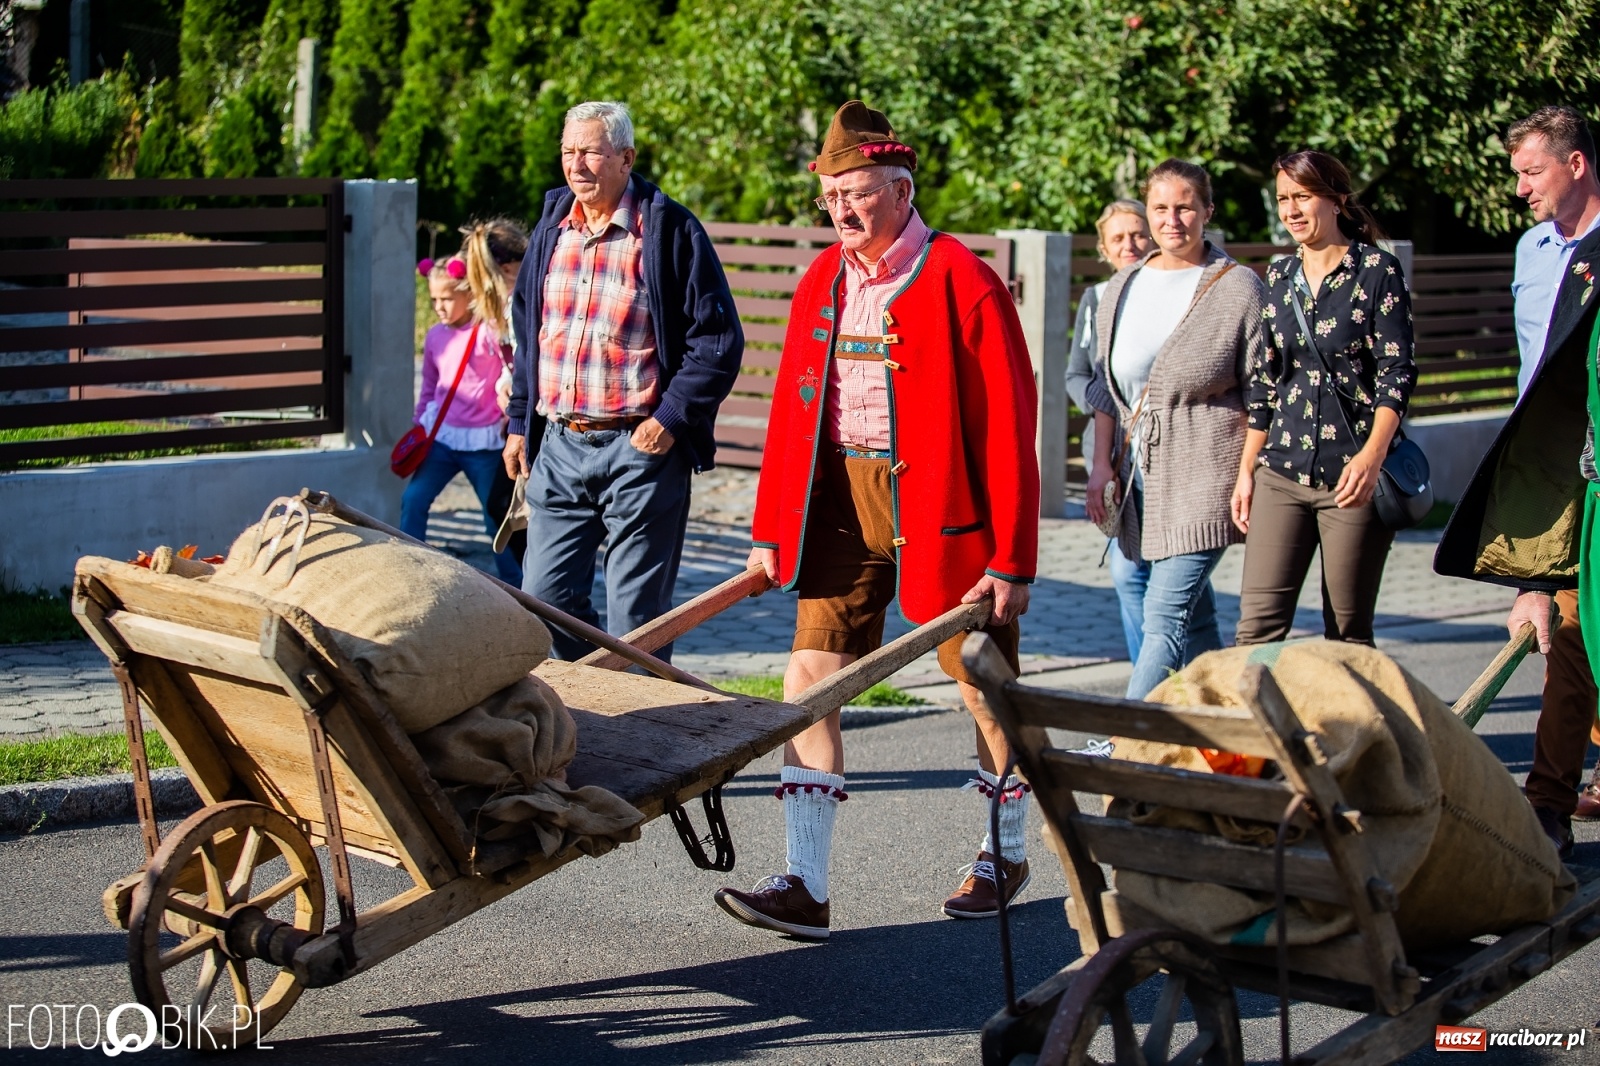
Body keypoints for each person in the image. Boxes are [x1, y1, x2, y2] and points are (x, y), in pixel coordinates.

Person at [713, 101, 1040, 939]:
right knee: (809, 679)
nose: (842, 211)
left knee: (982, 687)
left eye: (856, 194)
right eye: (830, 198)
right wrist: (771, 529)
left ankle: (1003, 852)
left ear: (901, 189)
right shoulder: (822, 279)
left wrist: (1012, 558)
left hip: (945, 509)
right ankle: (805, 884)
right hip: (837, 506)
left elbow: (1010, 426)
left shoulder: (962, 277)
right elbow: (793, 412)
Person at [502, 101, 743, 661]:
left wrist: (670, 419)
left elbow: (717, 340)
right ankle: (598, 692)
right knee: (544, 600)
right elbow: (529, 331)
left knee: (639, 620)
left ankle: (642, 713)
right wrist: (518, 421)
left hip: (640, 450)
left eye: (591, 151)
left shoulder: (669, 229)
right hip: (560, 444)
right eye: (568, 151)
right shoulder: (552, 228)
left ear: (626, 158)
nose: (576, 164)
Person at [1442, 107, 1600, 855]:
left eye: (1533, 172)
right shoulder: (1532, 250)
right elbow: (1531, 368)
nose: (1520, 189)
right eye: (1518, 174)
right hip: (1556, 465)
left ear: (1577, 164)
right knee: (1565, 633)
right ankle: (1549, 805)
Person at [1085, 159, 1266, 700]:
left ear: (1207, 211)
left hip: (1206, 476)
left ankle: (1126, 737)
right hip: (1140, 480)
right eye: (1160, 207)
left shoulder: (1239, 289)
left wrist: (1248, 474)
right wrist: (1100, 466)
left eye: (1185, 207)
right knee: (1198, 620)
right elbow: (1103, 387)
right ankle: (1228, 728)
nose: (1172, 220)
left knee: (1163, 615)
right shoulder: (1123, 285)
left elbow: (1264, 394)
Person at [1232, 151, 1417, 647]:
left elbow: (1397, 374)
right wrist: (1247, 471)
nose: (1291, 210)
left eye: (1303, 196)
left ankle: (1353, 703)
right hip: (1281, 474)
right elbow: (1266, 384)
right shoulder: (1277, 276)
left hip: (1352, 478)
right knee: (1257, 631)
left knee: (1348, 634)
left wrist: (1372, 458)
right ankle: (1257, 702)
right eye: (1283, 199)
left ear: (1336, 200)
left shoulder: (1377, 271)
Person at [1067, 200, 1155, 660]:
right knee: (1128, 571)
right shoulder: (1097, 298)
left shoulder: (1174, 290)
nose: (1129, 245)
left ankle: (1157, 678)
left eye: (1137, 234)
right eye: (1118, 238)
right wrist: (1106, 408)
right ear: (1103, 248)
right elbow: (1077, 375)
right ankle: (1150, 672)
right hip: (1113, 451)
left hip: (1162, 447)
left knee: (1159, 574)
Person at [400, 256, 525, 583]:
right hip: (443, 440)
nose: (438, 306)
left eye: (446, 298)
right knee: (414, 499)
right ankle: (407, 569)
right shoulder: (434, 336)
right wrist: (419, 422)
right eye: (433, 299)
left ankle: (516, 585)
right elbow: (429, 386)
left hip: (484, 443)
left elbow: (509, 372)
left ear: (468, 294)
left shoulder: (489, 332)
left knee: (496, 516)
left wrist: (509, 417)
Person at [457, 216, 532, 570]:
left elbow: (531, 361)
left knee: (511, 508)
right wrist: (505, 383)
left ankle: (539, 590)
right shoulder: (505, 302)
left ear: (505, 268)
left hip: (535, 419)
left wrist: (515, 397)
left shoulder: (524, 298)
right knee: (505, 506)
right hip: (519, 415)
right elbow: (513, 360)